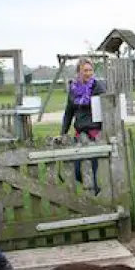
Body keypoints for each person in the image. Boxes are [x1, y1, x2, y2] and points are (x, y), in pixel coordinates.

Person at [60, 57, 107, 195]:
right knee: (77, 171)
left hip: (95, 133)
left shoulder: (98, 87)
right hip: (80, 134)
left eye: (90, 70)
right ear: (78, 72)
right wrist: (63, 132)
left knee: (93, 171)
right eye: (85, 70)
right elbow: (68, 113)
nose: (88, 73)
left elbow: (107, 108)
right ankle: (94, 192)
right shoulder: (73, 90)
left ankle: (98, 197)